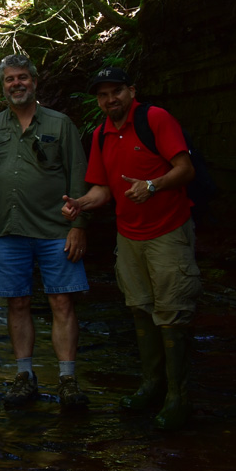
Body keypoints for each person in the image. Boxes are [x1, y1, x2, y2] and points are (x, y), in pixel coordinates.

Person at [61, 66, 201, 431]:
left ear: (131, 91)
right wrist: (80, 204)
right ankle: (152, 385)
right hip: (129, 236)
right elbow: (102, 190)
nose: (110, 100)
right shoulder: (100, 136)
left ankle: (178, 398)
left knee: (172, 314)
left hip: (168, 232)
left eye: (116, 92)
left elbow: (185, 169)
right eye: (103, 95)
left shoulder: (154, 119)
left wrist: (152, 186)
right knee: (140, 308)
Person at [0, 54, 92, 411]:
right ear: (3, 85)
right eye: (10, 79)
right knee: (17, 302)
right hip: (7, 230)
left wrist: (79, 226)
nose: (17, 84)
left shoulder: (60, 125)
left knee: (62, 301)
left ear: (35, 81)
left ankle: (67, 379)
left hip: (56, 229)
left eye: (23, 77)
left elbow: (79, 175)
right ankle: (24, 375)